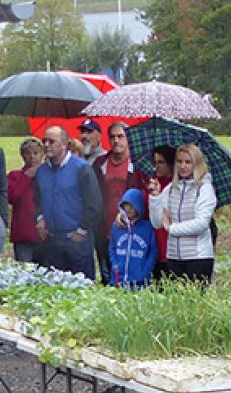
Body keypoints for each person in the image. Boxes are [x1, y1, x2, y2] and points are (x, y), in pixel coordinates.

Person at [32, 125, 104, 278]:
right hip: (51, 242)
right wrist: (39, 218)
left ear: (64, 144)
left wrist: (82, 230)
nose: (46, 145)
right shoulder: (41, 171)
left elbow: (94, 204)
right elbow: (37, 200)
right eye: (44, 141)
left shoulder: (82, 169)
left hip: (77, 241)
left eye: (51, 141)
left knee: (81, 288)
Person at [150, 143, 218, 284]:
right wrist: (155, 197)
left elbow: (201, 224)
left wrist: (172, 228)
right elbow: (157, 223)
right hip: (174, 256)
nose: (183, 166)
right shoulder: (170, 189)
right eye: (179, 161)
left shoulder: (204, 189)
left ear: (196, 164)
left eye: (188, 162)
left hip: (198, 257)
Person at [94, 121, 146, 276]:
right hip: (104, 228)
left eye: (120, 136)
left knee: (128, 273)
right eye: (112, 137)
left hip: (130, 228)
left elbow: (143, 193)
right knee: (107, 273)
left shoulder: (138, 164)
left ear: (128, 138)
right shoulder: (99, 164)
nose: (116, 140)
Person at [108, 189, 158, 287]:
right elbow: (112, 248)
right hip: (118, 280)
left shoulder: (147, 227)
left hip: (139, 282)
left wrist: (145, 271)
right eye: (126, 205)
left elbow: (153, 251)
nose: (129, 209)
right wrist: (115, 265)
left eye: (133, 205)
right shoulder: (117, 226)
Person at [7, 138, 45, 264]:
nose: (32, 157)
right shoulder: (14, 176)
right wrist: (26, 176)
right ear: (22, 156)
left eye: (36, 153)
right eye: (28, 153)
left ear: (42, 155)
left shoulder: (48, 176)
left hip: (45, 235)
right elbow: (12, 196)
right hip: (23, 235)